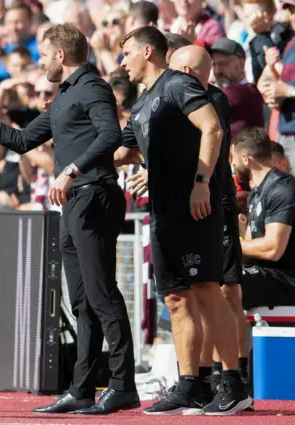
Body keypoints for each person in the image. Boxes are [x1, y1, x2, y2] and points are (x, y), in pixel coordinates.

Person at [0, 23, 139, 416]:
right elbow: (23, 141)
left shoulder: (93, 87)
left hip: (93, 194)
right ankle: (81, 389)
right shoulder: (65, 96)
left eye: (43, 55)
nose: (40, 62)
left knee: (101, 295)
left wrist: (71, 169)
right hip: (76, 200)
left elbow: (111, 135)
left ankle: (123, 385)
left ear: (61, 55)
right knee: (82, 303)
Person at [116, 26, 251, 415]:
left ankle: (234, 383)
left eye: (126, 53)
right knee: (176, 299)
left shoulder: (177, 83)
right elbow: (122, 152)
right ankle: (191, 384)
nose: (122, 62)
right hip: (163, 211)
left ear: (146, 51)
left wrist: (201, 183)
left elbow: (212, 127)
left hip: (196, 205)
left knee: (209, 290)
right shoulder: (143, 103)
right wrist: (71, 160)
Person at [169, 45, 250, 403]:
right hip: (191, 206)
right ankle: (201, 380)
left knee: (225, 291)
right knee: (197, 295)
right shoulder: (170, 97)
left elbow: (208, 138)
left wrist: (200, 184)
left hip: (215, 203)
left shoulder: (212, 98)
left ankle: (234, 379)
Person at [232, 128, 295, 309]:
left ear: (245, 158)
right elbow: (249, 253)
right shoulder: (257, 193)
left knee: (225, 283)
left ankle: (229, 338)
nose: (233, 166)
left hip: (287, 279)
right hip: (266, 275)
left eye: (233, 158)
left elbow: (273, 249)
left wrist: (228, 244)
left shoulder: (282, 189)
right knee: (202, 277)